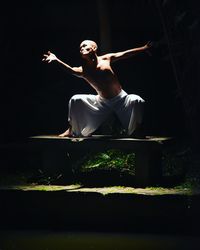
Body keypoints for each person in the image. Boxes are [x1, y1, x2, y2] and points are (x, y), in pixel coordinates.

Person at [42, 40, 152, 137]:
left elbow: (125, 54)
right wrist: (56, 60)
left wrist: (144, 48)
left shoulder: (106, 59)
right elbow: (70, 70)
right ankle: (72, 129)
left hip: (121, 99)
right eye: (80, 48)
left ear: (94, 48)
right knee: (75, 99)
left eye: (85, 46)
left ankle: (136, 130)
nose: (82, 49)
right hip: (101, 102)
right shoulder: (83, 70)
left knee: (137, 100)